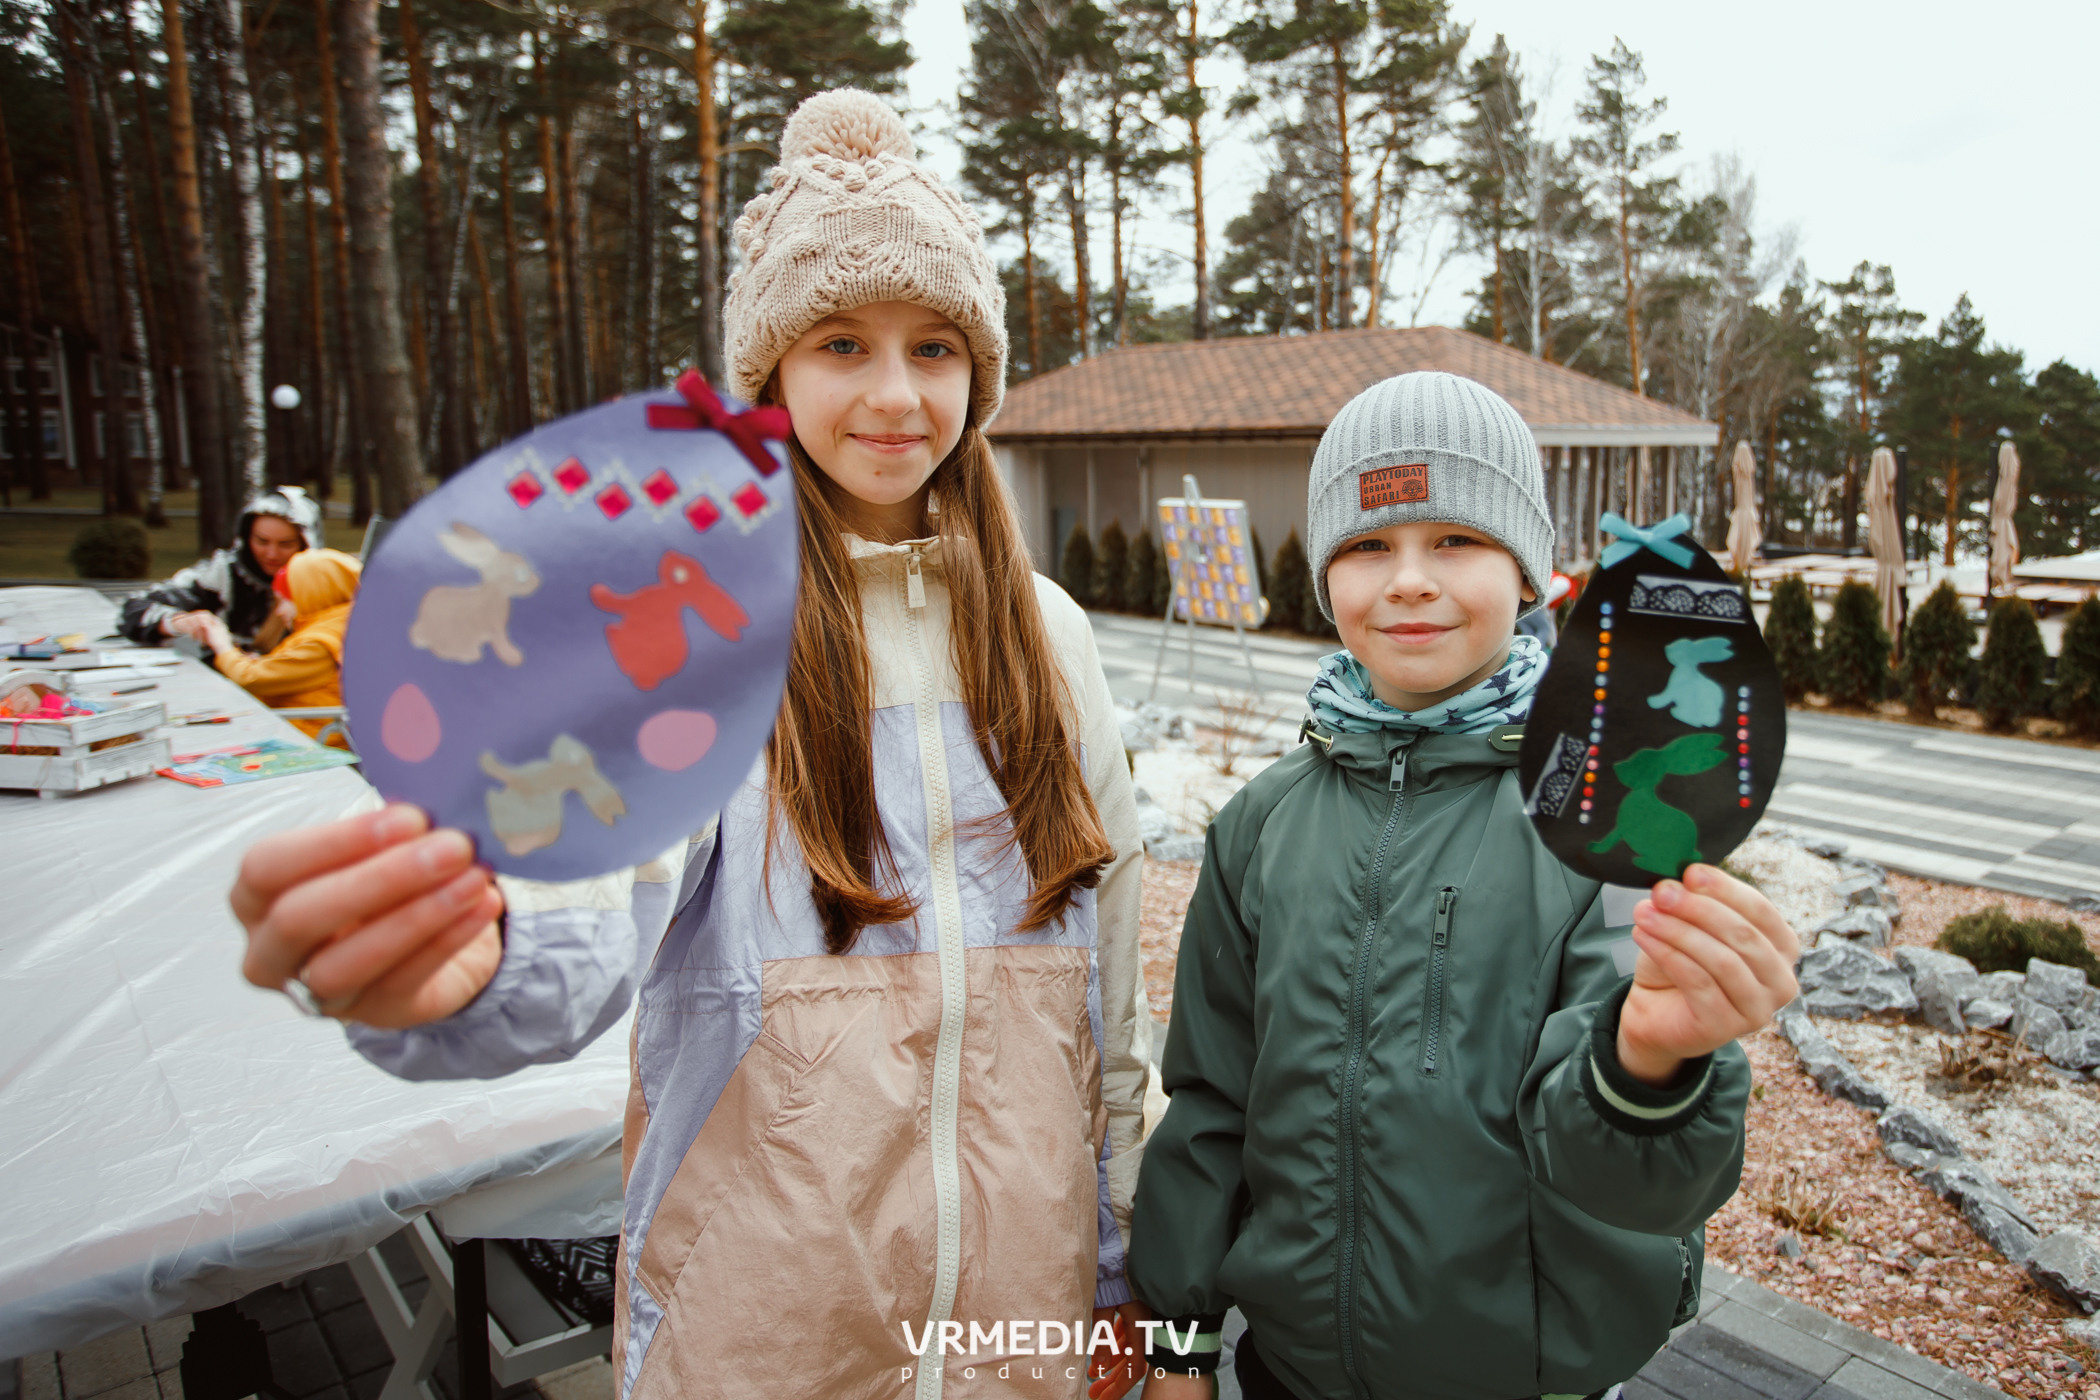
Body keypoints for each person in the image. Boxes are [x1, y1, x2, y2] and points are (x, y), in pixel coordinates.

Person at [226, 90, 1149, 1399]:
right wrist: (478, 963)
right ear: (770, 373)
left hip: (1022, 1314)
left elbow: (1106, 971)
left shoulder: (1046, 637)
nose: (897, 394)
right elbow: (585, 886)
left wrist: (1116, 1262)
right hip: (768, 1320)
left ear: (978, 377)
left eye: (936, 348)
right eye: (842, 343)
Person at [1128, 373, 1800, 1400]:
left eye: (1454, 540)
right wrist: (1179, 1340)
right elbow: (1213, 1102)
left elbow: (1639, 1185)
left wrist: (1652, 1056)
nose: (1407, 580)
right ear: (1325, 577)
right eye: (1366, 545)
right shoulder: (1264, 823)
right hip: (1291, 1371)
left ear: (1529, 574)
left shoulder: (1603, 825)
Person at [119, 486, 322, 649]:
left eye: (285, 544)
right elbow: (133, 608)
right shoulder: (224, 573)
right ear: (245, 536)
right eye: (261, 541)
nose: (271, 554)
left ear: (307, 544)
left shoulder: (327, 582)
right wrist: (178, 622)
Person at [199, 548, 360, 747]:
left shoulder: (322, 642)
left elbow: (251, 678)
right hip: (303, 734)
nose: (279, 611)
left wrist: (222, 645)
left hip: (308, 742)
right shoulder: (339, 627)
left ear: (313, 594)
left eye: (284, 600)